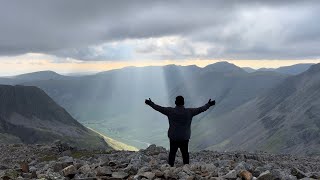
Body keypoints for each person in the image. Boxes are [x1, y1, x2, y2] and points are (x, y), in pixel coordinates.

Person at [145, 95, 215, 167]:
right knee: (185, 153)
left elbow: (158, 108)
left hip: (173, 137)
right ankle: (186, 168)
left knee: (172, 153)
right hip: (184, 137)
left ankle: (170, 168)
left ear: (175, 102)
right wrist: (209, 104)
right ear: (183, 102)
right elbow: (201, 109)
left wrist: (150, 103)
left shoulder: (170, 111)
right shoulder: (190, 111)